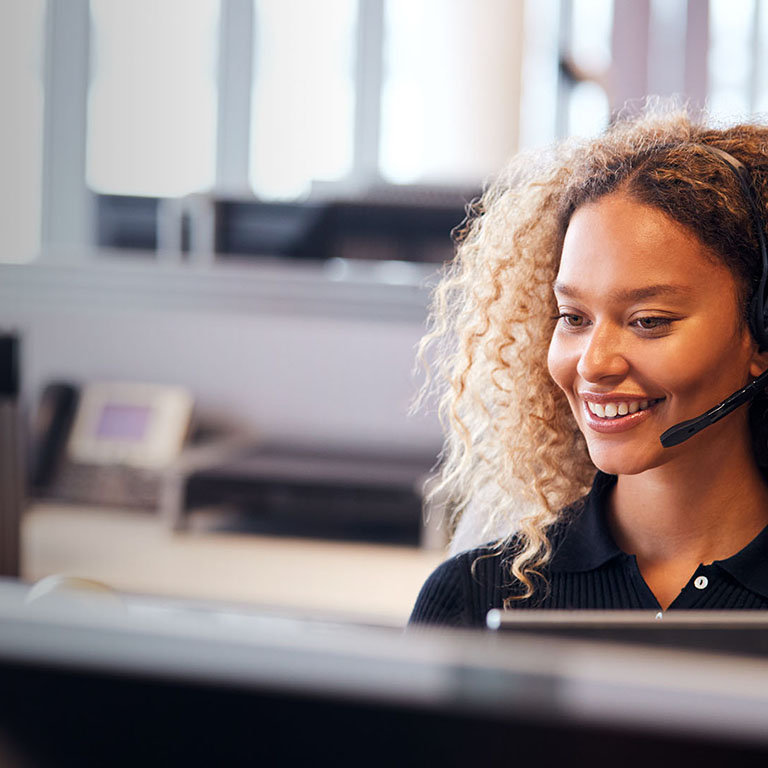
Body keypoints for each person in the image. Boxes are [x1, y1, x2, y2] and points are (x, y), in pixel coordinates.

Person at [410, 105, 768, 627]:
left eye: (648, 321)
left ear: (760, 335)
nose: (593, 364)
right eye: (573, 317)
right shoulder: (478, 596)